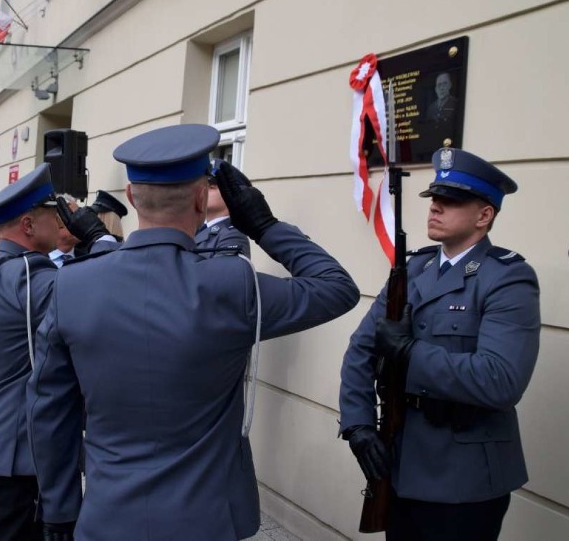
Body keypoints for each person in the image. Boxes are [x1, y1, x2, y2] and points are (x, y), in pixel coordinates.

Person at [27, 123, 360, 541]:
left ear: (131, 196)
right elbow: (337, 288)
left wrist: (58, 509)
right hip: (207, 521)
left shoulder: (70, 286)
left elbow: (48, 411)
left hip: (109, 517)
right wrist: (264, 224)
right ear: (202, 199)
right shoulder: (231, 284)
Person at [339, 148, 541, 541]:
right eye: (435, 199)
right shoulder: (413, 269)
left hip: (465, 476)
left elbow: (501, 380)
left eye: (452, 202)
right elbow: (362, 349)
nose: (436, 208)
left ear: (484, 216)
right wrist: (358, 423)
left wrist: (410, 353)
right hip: (400, 461)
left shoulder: (507, 279)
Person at [0, 163, 112, 541]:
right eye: (53, 215)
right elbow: (109, 302)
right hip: (24, 453)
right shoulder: (35, 278)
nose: (61, 223)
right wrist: (102, 239)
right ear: (29, 225)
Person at [195, 158, 251, 257]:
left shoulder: (232, 236)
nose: (204, 191)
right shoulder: (196, 230)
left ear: (230, 195)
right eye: (203, 186)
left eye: (211, 188)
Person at [48, 194, 81, 267]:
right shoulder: (36, 263)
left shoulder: (89, 258)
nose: (81, 221)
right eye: (75, 216)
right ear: (57, 221)